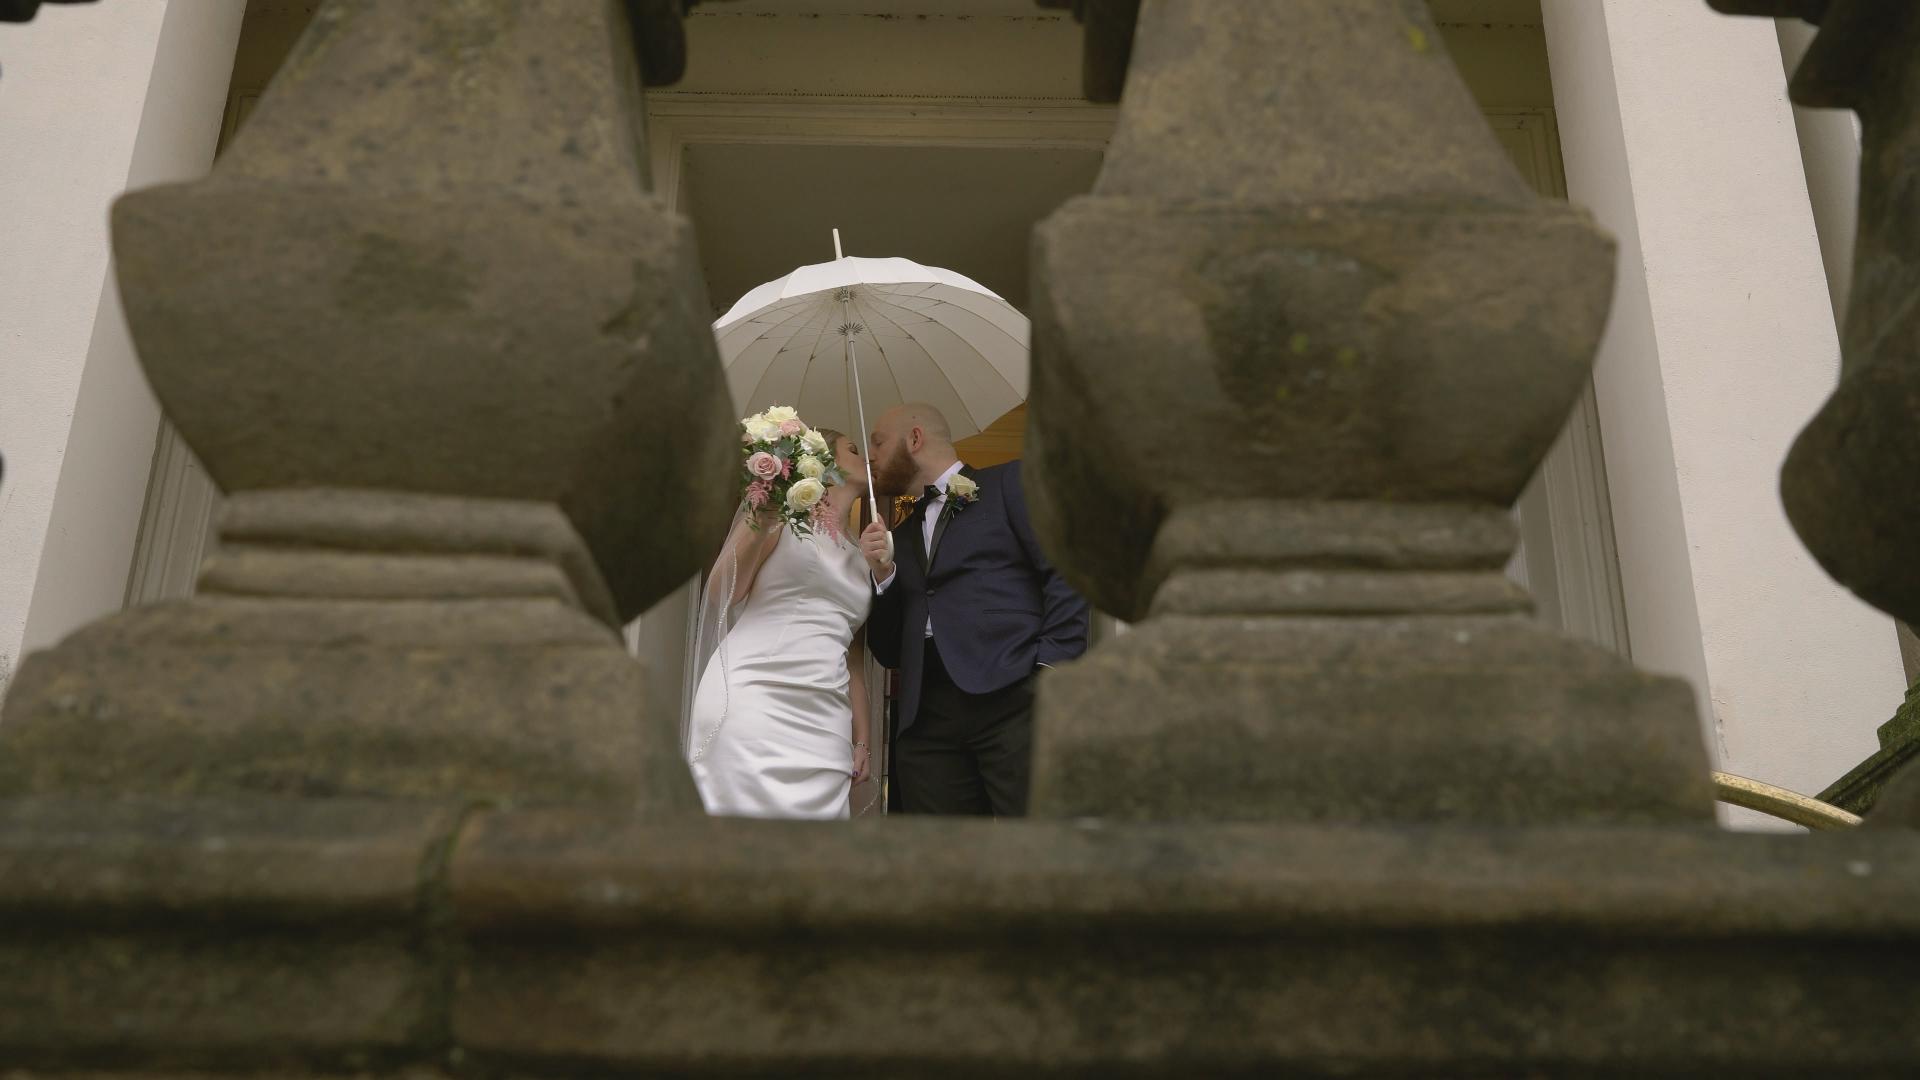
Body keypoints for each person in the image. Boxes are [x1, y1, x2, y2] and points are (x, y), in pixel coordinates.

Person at [858, 403, 1090, 817]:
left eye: (877, 442)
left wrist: (1051, 669)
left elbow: (1066, 571)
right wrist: (884, 576)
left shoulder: (1010, 483)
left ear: (914, 439)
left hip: (1015, 697)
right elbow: (890, 651)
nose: (871, 455)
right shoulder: (899, 536)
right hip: (927, 719)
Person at [686, 429, 874, 819]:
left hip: (826, 715)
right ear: (825, 465)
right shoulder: (781, 519)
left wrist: (863, 741)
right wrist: (761, 518)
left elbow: (853, 656)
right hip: (757, 693)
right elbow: (723, 593)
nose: (866, 456)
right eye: (854, 449)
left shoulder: (862, 553)